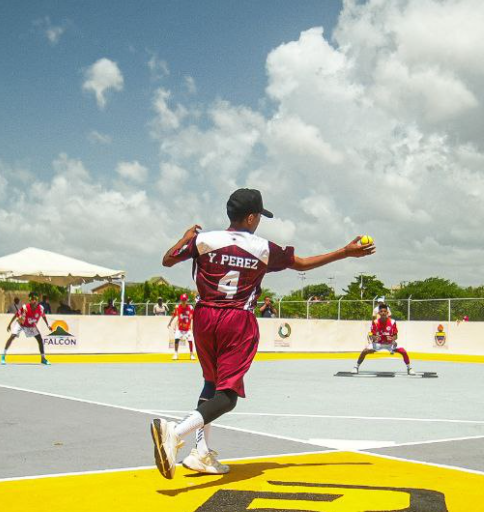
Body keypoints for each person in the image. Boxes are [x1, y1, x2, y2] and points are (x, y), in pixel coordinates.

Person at [150, 188, 374, 479]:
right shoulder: (263, 248)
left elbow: (167, 260)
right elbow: (303, 263)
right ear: (252, 217)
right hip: (237, 320)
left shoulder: (202, 241)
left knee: (210, 382)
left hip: (203, 316)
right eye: (260, 217)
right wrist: (345, 252)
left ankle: (201, 453)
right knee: (227, 396)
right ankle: (174, 433)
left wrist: (185, 237)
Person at [352, 303, 412, 375]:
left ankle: (409, 368)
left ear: (387, 312)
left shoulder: (392, 322)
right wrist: (374, 337)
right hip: (378, 344)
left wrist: (393, 338)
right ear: (379, 313)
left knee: (403, 351)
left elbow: (396, 336)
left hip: (389, 344)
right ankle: (356, 367)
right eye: (381, 311)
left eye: (384, 311)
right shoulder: (375, 322)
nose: (383, 313)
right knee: (365, 351)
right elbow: (371, 335)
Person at [1, 291, 51, 365]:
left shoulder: (40, 308)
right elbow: (16, 314)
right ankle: (3, 356)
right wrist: (9, 324)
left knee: (40, 339)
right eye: (31, 300)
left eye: (34, 300)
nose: (32, 301)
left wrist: (48, 325)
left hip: (31, 326)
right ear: (30, 301)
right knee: (12, 336)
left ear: (36, 301)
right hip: (21, 324)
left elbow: (43, 316)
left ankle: (43, 358)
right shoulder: (25, 307)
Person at [168, 295, 195, 361]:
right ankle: (176, 354)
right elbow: (174, 315)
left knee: (190, 341)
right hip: (179, 329)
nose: (183, 302)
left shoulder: (190, 308)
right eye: (182, 300)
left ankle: (191, 354)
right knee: (176, 340)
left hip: (187, 329)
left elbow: (194, 317)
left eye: (185, 300)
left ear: (186, 301)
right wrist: (169, 322)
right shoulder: (178, 307)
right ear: (181, 300)